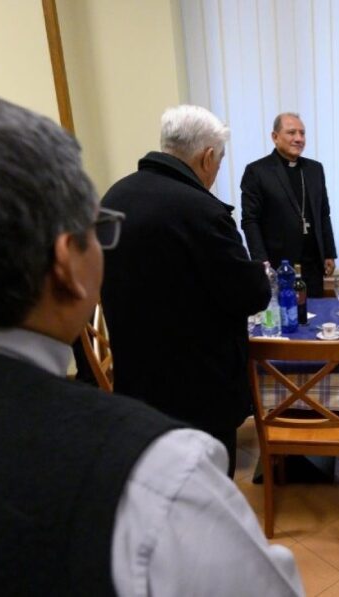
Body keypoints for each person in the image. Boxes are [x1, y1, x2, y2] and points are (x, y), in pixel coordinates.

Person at [0, 91, 301, 595]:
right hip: (199, 380)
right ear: (67, 262)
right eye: (99, 233)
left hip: (136, 372)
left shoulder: (119, 193)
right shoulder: (157, 477)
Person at [101, 106, 269, 479]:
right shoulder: (200, 210)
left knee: (154, 480)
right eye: (220, 161)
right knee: (205, 491)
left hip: (135, 381)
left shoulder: (114, 197)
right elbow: (251, 295)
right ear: (207, 157)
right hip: (199, 389)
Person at [241, 112, 337, 298]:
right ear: (275, 137)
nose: (299, 138)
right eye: (292, 133)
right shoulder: (257, 171)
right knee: (284, 318)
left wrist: (329, 253)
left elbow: (323, 214)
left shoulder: (315, 169)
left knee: (314, 317)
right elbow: (250, 221)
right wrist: (262, 262)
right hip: (278, 263)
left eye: (302, 133)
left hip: (312, 263)